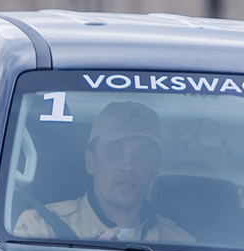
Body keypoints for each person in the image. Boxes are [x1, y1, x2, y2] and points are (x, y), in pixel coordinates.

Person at [12, 99, 194, 243]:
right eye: (115, 152)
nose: (128, 166)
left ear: (156, 168)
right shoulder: (40, 228)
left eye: (142, 155)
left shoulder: (180, 241)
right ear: (90, 162)